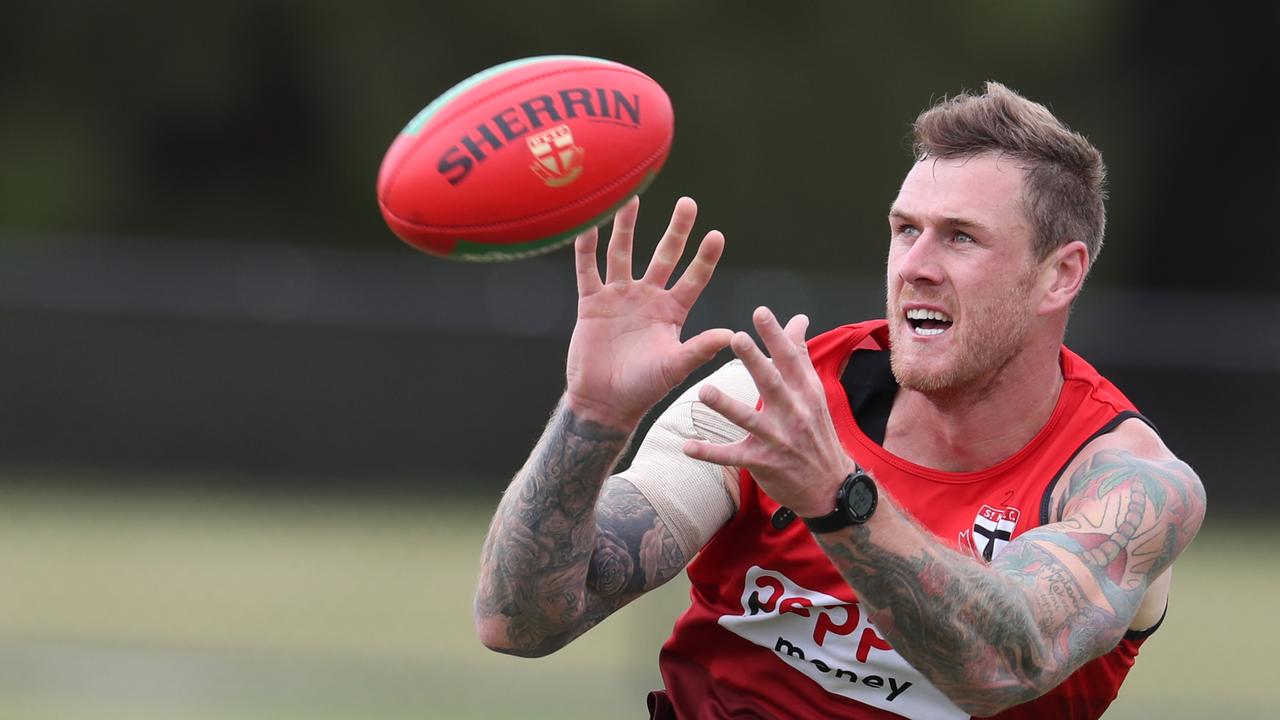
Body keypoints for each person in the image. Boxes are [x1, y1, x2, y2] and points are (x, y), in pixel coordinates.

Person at [473, 82, 1206, 719]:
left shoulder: (1129, 486)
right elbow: (521, 622)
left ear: (1059, 275)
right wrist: (591, 418)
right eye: (904, 231)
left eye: (960, 238)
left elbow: (1003, 663)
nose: (915, 266)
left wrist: (836, 497)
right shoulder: (767, 400)